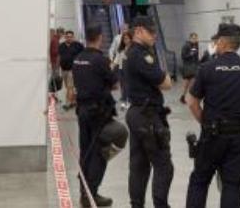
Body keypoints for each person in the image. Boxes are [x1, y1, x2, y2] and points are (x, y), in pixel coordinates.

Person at [184, 24, 240, 208]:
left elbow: (191, 101)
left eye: (216, 41)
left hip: (212, 136)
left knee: (200, 180)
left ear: (222, 42)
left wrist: (205, 122)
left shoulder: (207, 68)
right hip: (238, 137)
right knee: (232, 184)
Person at [122, 16, 173, 208]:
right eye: (151, 32)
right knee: (164, 166)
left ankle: (137, 205)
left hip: (137, 113)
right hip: (147, 116)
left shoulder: (130, 52)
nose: (155, 36)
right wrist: (163, 73)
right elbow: (166, 83)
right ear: (138, 31)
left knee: (139, 165)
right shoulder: (141, 55)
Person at [73, 26, 119, 207]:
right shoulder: (100, 60)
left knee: (85, 151)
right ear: (100, 37)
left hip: (82, 111)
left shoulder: (78, 58)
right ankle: (91, 194)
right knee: (99, 153)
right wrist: (113, 68)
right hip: (98, 114)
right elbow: (115, 85)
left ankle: (84, 192)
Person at [58, 30, 86, 111]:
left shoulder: (78, 45)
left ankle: (67, 103)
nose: (69, 38)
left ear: (73, 37)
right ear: (65, 37)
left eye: (71, 37)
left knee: (70, 87)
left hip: (73, 69)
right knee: (68, 87)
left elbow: (84, 55)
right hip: (64, 70)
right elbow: (59, 57)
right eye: (67, 37)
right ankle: (73, 101)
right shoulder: (61, 46)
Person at [112, 31, 133, 108]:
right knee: (123, 85)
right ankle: (124, 100)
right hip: (121, 69)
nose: (126, 40)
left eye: (127, 38)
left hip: (130, 70)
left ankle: (130, 101)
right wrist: (112, 67)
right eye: (124, 39)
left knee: (129, 85)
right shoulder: (121, 49)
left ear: (131, 39)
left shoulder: (133, 49)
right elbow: (116, 60)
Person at [179, 33, 202, 105]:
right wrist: (191, 54)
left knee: (189, 82)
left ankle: (184, 96)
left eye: (196, 38)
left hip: (193, 66)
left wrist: (198, 63)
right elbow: (183, 56)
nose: (195, 39)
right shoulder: (186, 46)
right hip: (188, 67)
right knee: (191, 82)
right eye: (193, 38)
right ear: (190, 38)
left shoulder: (195, 45)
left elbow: (196, 56)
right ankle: (189, 97)